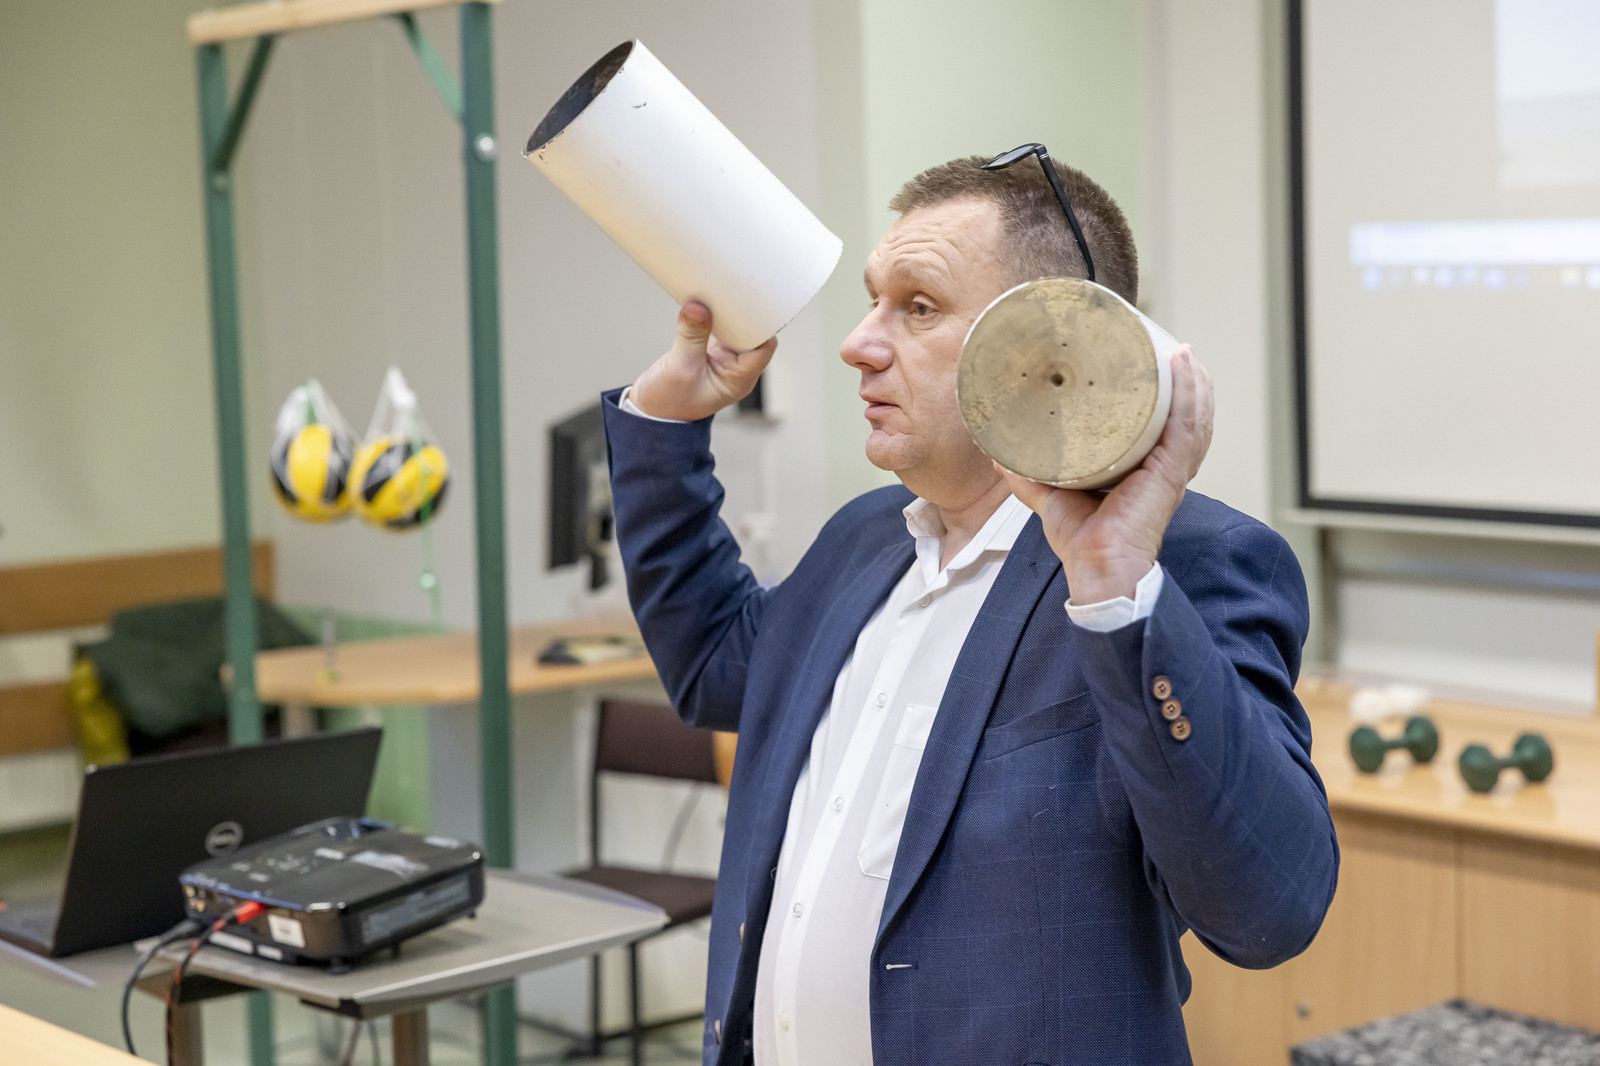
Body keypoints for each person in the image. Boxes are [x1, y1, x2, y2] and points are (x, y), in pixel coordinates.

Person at [599, 154, 1339, 1066]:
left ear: (1053, 342)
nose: (858, 344)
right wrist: (666, 426)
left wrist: (1117, 588)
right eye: (874, 302)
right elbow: (717, 665)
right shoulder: (863, 538)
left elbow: (1269, 912)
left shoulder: (1183, 563)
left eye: (917, 307)